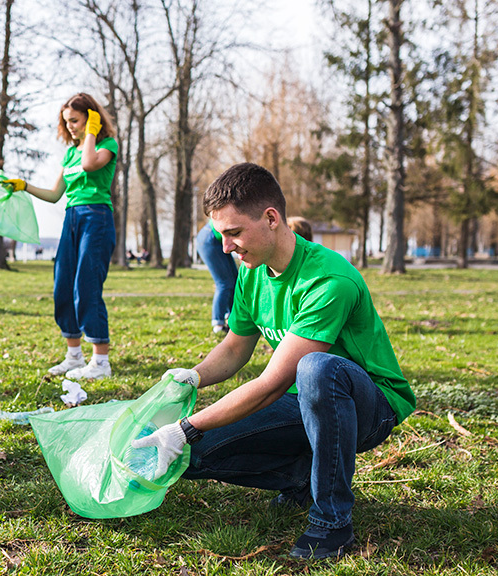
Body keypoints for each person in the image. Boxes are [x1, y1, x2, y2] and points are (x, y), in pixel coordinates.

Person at [132, 163, 415, 559]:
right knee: (189, 457)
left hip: (365, 407)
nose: (226, 248)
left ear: (271, 218)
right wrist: (192, 377)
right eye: (221, 236)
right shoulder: (253, 270)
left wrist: (186, 426)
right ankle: (302, 478)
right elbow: (234, 348)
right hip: (304, 400)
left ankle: (332, 522)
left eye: (233, 233)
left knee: (317, 369)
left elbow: (272, 384)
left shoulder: (328, 280)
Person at [2, 93, 118, 380]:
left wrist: (91, 132)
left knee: (86, 286)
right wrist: (24, 186)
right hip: (72, 218)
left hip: (97, 217)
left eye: (75, 121)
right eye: (67, 122)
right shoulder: (69, 154)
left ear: (91, 118)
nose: (70, 128)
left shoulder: (106, 145)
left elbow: (90, 164)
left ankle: (101, 361)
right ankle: (74, 356)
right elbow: (55, 195)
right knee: (63, 284)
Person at [195, 218, 237, 334]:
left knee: (235, 280)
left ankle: (232, 319)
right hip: (209, 238)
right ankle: (218, 324)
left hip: (216, 239)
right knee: (224, 283)